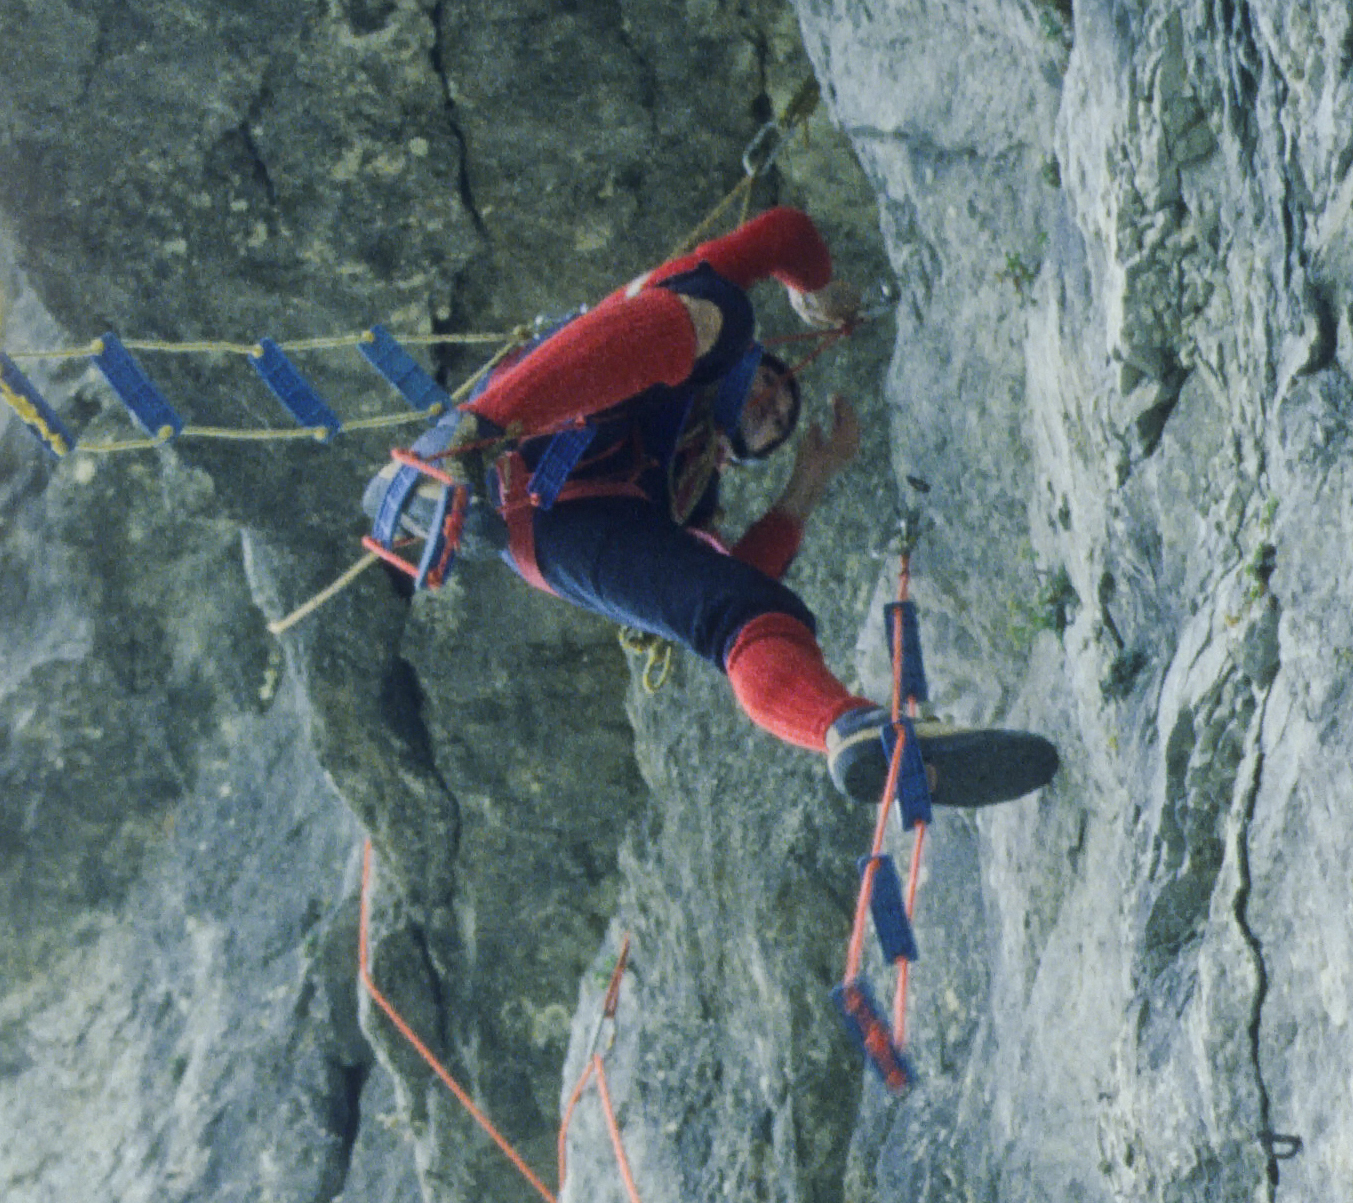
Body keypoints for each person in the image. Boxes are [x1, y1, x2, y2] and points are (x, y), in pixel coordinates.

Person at [367, 206, 1057, 807]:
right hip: (546, 422)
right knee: (719, 315)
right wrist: (819, 290)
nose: (771, 404)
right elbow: (784, 232)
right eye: (773, 388)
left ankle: (849, 730)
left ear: (739, 453)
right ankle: (463, 440)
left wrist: (808, 479)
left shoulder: (696, 491)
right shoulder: (685, 322)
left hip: (557, 534)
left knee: (743, 611)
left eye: (776, 422)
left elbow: (738, 572)